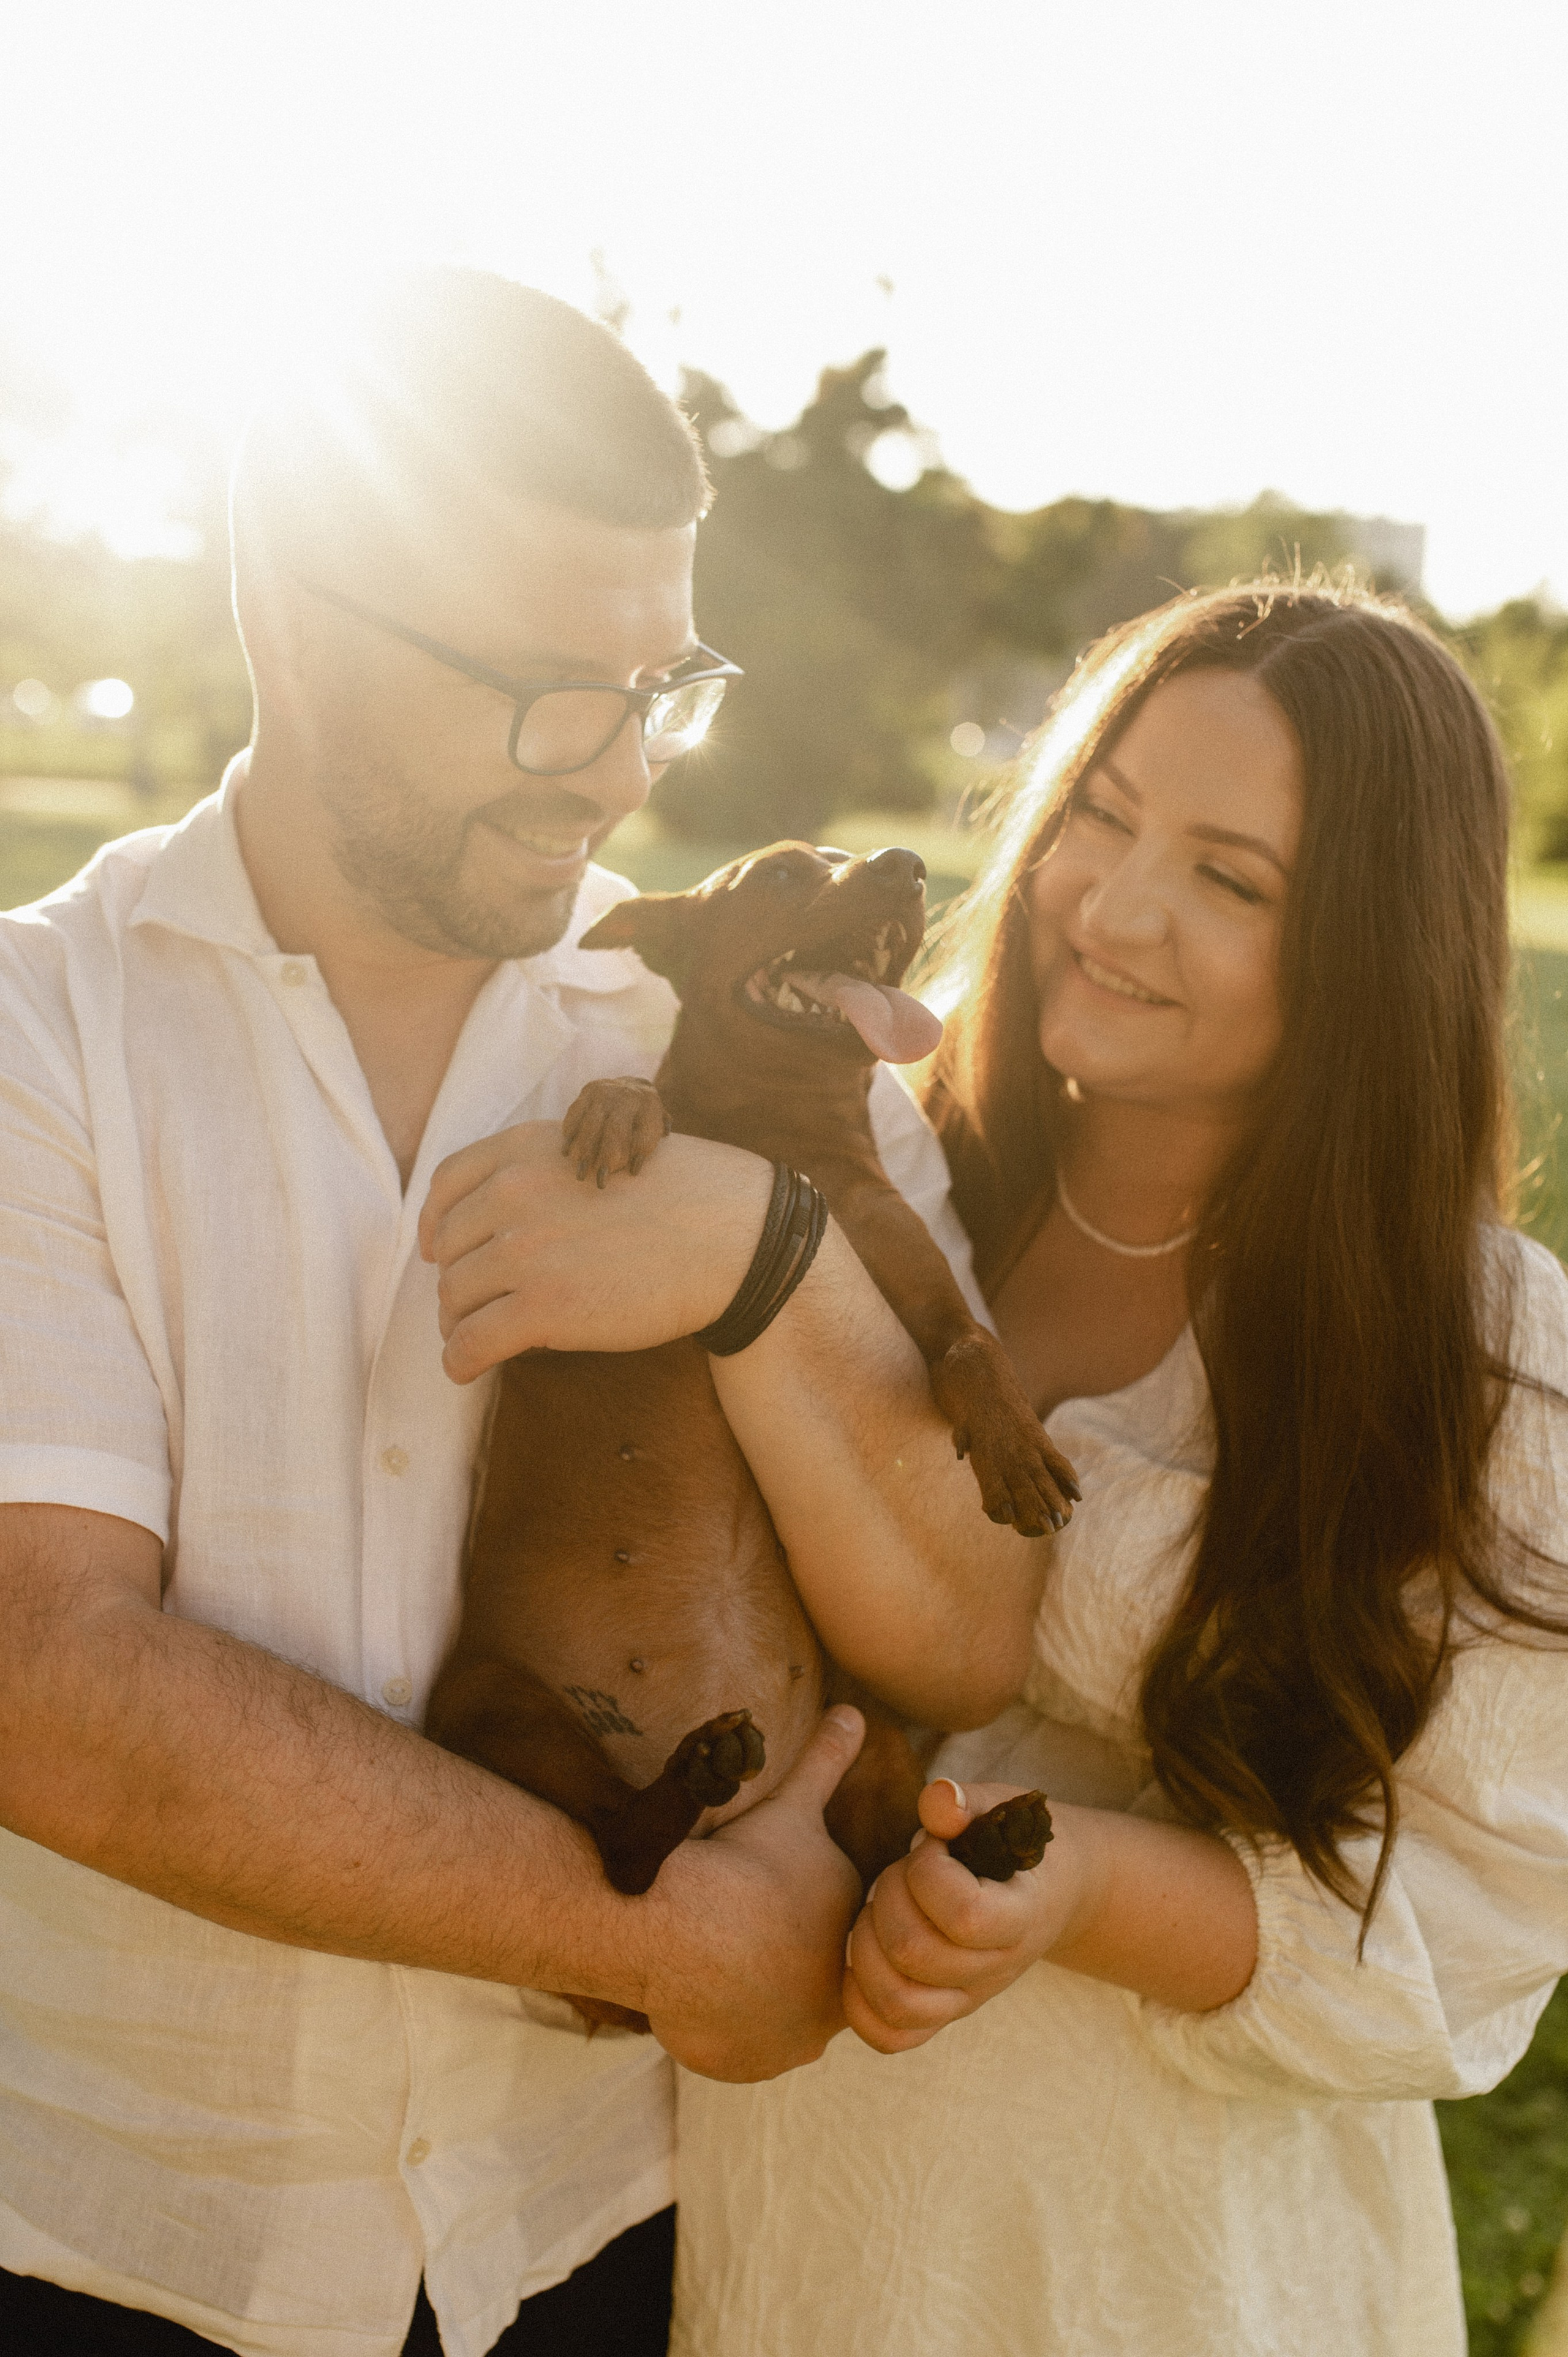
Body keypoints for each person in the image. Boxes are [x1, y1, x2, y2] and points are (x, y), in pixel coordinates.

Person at [0, 269, 1050, 2357]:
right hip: (107, 2244)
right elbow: (49, 1680)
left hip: (599, 2243)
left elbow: (968, 1630)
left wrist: (762, 1271)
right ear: (291, 609)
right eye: (550, 688)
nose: (618, 770)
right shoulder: (42, 1030)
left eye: (666, 681)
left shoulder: (759, 1039)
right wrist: (660, 1935)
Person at [671, 581, 1568, 2357]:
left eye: (1235, 882)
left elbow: (1476, 1937)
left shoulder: (1470, 1351)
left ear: (1373, 947)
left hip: (1168, 2271)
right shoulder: (884, 1190)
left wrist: (1080, 1883)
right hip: (784, 2219)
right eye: (1102, 813)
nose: (1117, 907)